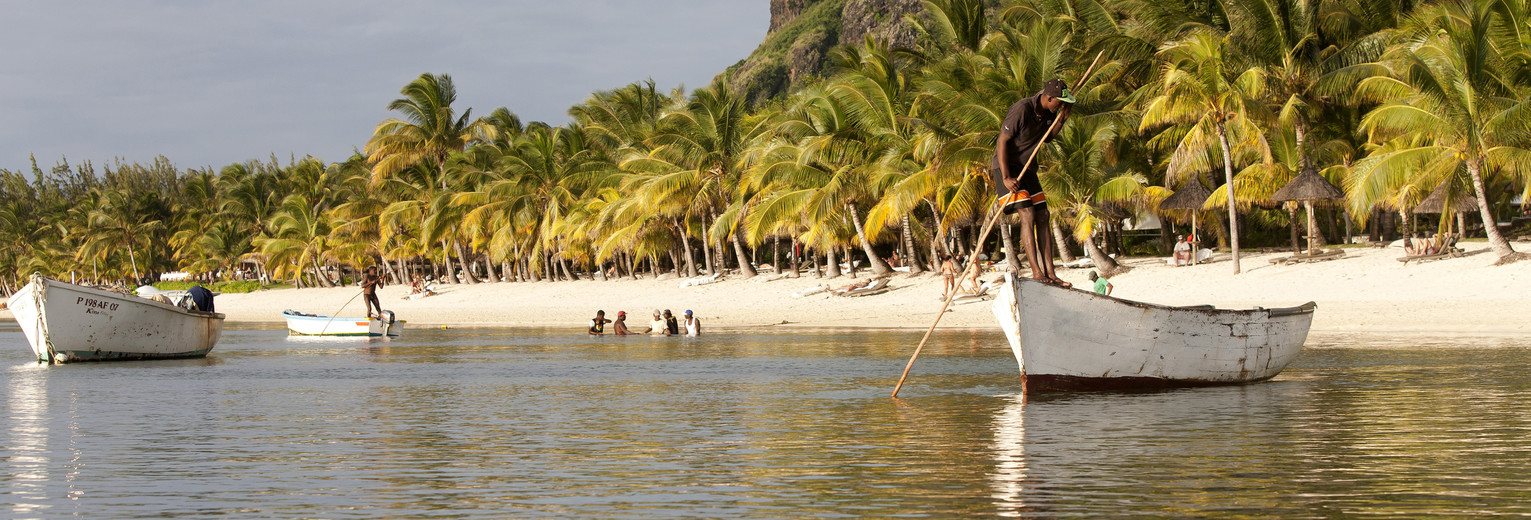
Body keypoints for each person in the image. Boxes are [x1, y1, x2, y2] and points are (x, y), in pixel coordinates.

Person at [992, 78, 1073, 288]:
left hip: (1028, 168)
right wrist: (1006, 177)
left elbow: (1048, 137)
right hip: (1007, 167)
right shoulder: (1022, 109)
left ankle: (1051, 273)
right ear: (1049, 98)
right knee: (1027, 213)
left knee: (1043, 215)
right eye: (1059, 102)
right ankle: (1037, 272)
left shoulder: (1050, 112)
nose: (1060, 105)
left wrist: (1063, 117)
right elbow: (1002, 141)